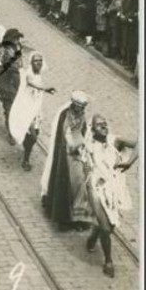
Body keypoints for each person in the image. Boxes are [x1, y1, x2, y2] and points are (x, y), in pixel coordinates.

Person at [83, 114, 137, 278]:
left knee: (110, 225)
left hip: (114, 188)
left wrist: (129, 162)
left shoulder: (115, 141)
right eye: (99, 125)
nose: (104, 127)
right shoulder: (88, 145)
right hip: (95, 186)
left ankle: (93, 235)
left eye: (105, 124)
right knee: (106, 228)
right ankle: (108, 261)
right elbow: (85, 168)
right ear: (93, 129)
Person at [41, 90, 92, 230]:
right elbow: (66, 134)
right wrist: (74, 147)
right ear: (73, 105)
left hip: (79, 152)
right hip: (68, 154)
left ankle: (79, 217)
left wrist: (83, 148)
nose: (81, 110)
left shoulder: (82, 116)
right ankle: (64, 218)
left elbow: (83, 131)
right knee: (68, 183)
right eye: (79, 107)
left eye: (83, 107)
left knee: (81, 184)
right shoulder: (66, 115)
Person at [9, 52, 56, 170]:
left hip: (35, 111)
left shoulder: (39, 74)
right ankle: (26, 159)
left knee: (34, 134)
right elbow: (30, 83)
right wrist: (45, 89)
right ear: (31, 63)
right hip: (26, 110)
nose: (38, 63)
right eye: (36, 61)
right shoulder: (28, 73)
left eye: (40, 60)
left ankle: (26, 153)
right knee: (33, 137)